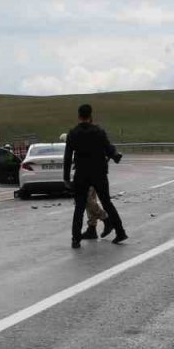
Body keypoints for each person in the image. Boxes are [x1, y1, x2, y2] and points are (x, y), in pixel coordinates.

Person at [63, 103, 127, 248]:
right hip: (99, 173)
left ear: (79, 116)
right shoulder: (99, 131)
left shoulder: (73, 133)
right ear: (91, 116)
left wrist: (66, 178)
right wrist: (115, 155)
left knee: (79, 206)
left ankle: (76, 239)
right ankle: (120, 232)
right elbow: (109, 149)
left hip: (82, 174)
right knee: (107, 203)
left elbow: (67, 157)